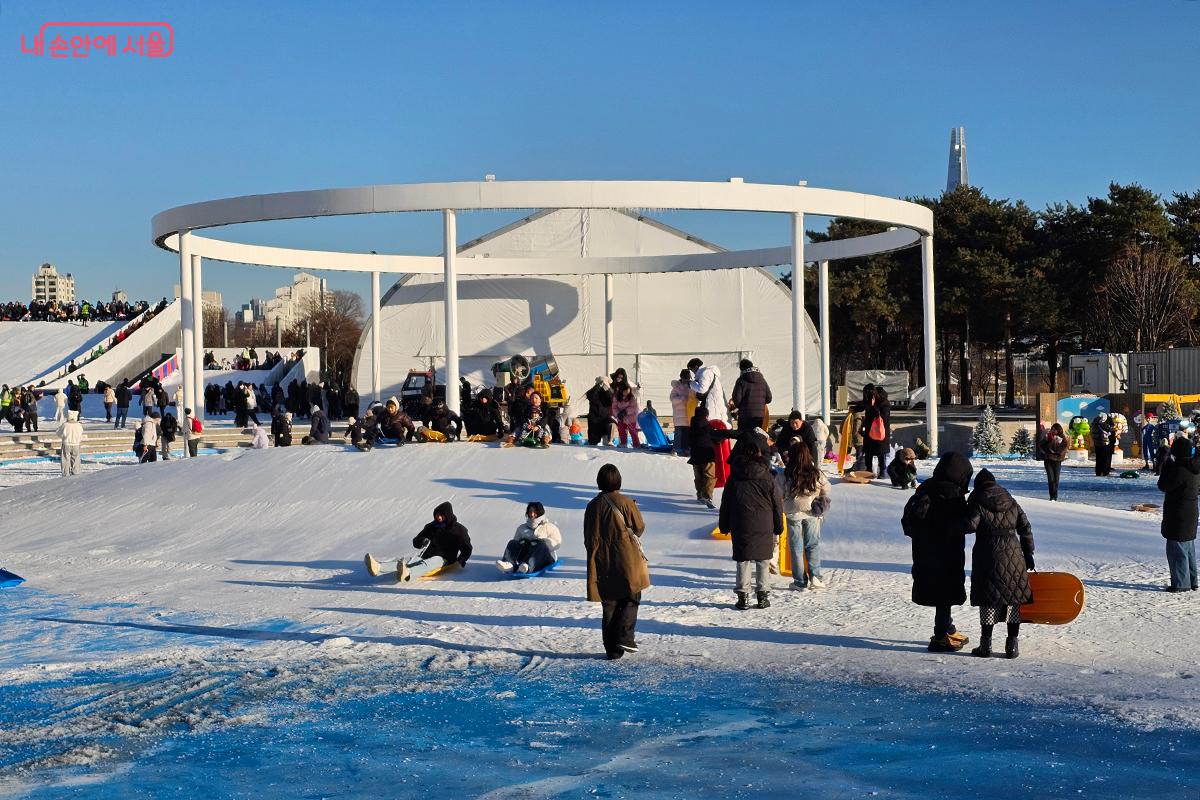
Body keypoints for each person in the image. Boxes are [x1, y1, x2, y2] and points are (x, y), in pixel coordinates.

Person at [901, 451, 973, 652]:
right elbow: (962, 523)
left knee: (939, 589)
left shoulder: (927, 486)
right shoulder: (952, 494)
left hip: (924, 550)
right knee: (945, 593)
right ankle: (940, 636)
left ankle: (948, 627)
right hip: (946, 551)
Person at [964, 469, 1035, 659]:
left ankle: (985, 646)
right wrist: (1028, 554)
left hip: (988, 554)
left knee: (989, 599)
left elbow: (969, 526)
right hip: (1014, 553)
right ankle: (1012, 646)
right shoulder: (1010, 499)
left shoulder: (978, 499)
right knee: (1013, 600)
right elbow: (1025, 527)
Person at [583, 464, 649, 660]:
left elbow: (588, 535)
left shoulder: (592, 505)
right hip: (626, 556)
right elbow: (639, 528)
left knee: (609, 603)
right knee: (631, 596)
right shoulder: (626, 502)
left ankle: (612, 649)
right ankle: (625, 636)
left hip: (601, 559)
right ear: (618, 480)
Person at [718, 433, 783, 610]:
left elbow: (726, 503)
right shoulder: (768, 476)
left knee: (743, 560)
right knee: (763, 560)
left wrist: (723, 524)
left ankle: (743, 597)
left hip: (741, 522)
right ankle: (762, 596)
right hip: (764, 523)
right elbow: (777, 503)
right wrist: (778, 525)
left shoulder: (734, 476)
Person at [365, 501, 473, 582]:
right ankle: (378, 568)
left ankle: (408, 574)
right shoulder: (431, 527)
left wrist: (461, 559)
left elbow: (467, 548)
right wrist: (423, 541)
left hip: (444, 559)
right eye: (437, 515)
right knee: (408, 561)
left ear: (448, 515)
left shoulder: (458, 530)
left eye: (442, 515)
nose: (439, 517)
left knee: (432, 561)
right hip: (426, 555)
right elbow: (416, 541)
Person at [776, 440, 831, 591]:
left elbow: (778, 493)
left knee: (796, 548)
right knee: (812, 545)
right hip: (812, 512)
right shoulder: (816, 473)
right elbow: (827, 487)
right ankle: (816, 577)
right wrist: (819, 498)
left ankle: (800, 581)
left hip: (793, 513)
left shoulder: (785, 474)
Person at [1157, 437, 1200, 592]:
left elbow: (1163, 485)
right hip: (1190, 512)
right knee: (1188, 548)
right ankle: (1192, 580)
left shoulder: (1180, 470)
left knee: (1177, 549)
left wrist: (1166, 466)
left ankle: (1181, 583)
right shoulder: (1194, 468)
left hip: (1178, 513)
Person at [497, 502, 563, 574]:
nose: (532, 514)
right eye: (530, 511)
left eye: (535, 512)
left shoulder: (549, 527)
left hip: (545, 558)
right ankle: (510, 564)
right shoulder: (522, 528)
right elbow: (516, 545)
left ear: (540, 513)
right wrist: (523, 542)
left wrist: (543, 542)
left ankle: (527, 566)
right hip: (525, 556)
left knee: (540, 544)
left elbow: (557, 543)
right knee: (513, 542)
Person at [729, 358, 772, 431]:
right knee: (757, 438)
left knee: (744, 439)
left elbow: (737, 400)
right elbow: (769, 398)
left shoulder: (741, 380)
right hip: (759, 417)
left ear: (741, 369)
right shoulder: (762, 380)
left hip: (745, 417)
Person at [687, 406, 717, 509]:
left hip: (695, 455)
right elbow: (717, 438)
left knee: (698, 476)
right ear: (706, 415)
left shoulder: (692, 426)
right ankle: (707, 496)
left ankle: (699, 494)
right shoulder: (708, 426)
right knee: (709, 476)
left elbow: (688, 440)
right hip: (707, 455)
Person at [687, 358, 730, 427]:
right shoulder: (707, 373)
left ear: (696, 366)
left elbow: (702, 389)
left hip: (713, 403)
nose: (692, 372)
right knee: (717, 422)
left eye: (692, 369)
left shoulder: (705, 373)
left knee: (714, 423)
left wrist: (691, 383)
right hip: (714, 402)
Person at [861, 385, 891, 478]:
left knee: (880, 452)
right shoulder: (869, 401)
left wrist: (874, 409)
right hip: (869, 431)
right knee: (868, 452)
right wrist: (854, 409)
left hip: (880, 432)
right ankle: (869, 470)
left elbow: (884, 418)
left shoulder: (884, 403)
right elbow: (862, 406)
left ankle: (882, 471)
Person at [1037, 423, 1069, 501]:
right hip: (1048, 460)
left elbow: (1063, 449)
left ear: (1059, 430)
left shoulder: (1063, 438)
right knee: (1051, 478)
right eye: (1052, 429)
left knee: (1056, 479)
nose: (1053, 431)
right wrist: (1048, 445)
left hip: (1057, 460)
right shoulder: (1047, 436)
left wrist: (1055, 450)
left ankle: (1055, 495)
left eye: (1055, 429)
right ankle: (1052, 496)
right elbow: (1041, 446)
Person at [669, 369, 694, 456]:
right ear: (681, 377)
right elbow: (672, 398)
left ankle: (686, 449)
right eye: (684, 378)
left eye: (687, 378)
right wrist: (682, 399)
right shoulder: (677, 387)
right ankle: (675, 449)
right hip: (679, 414)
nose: (686, 380)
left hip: (688, 413)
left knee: (687, 432)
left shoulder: (692, 386)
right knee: (678, 432)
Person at [584, 376, 614, 446]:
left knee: (609, 426)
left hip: (604, 418)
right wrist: (598, 386)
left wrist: (606, 388)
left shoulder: (608, 392)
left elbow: (611, 399)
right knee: (593, 441)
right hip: (594, 419)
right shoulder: (593, 391)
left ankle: (608, 442)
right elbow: (590, 396)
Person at [611, 382, 640, 448]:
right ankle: (623, 443)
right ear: (621, 390)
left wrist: (625, 411)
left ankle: (636, 444)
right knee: (621, 431)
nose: (627, 392)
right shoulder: (616, 397)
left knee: (633, 431)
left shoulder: (632, 397)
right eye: (625, 390)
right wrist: (618, 414)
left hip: (631, 418)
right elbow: (614, 407)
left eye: (628, 390)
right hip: (621, 418)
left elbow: (634, 407)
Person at [57, 409, 84, 478]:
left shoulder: (65, 425)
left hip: (66, 444)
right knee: (76, 459)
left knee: (65, 459)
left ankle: (66, 474)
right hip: (76, 444)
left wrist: (63, 438)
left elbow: (58, 433)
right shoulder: (79, 425)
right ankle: (76, 472)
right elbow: (81, 433)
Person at [1092, 412, 1115, 477]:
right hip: (1104, 443)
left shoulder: (1094, 423)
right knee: (1105, 458)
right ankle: (1105, 472)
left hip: (1097, 444)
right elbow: (1109, 429)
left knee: (1098, 458)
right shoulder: (1101, 424)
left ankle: (1098, 472)